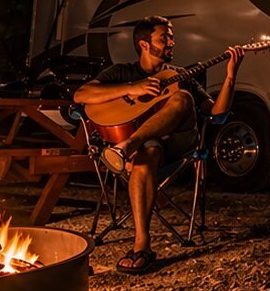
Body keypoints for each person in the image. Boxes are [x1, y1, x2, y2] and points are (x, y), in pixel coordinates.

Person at [73, 16, 245, 274]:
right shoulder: (122, 73)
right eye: (164, 37)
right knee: (146, 156)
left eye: (171, 37)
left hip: (178, 142)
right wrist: (131, 88)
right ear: (144, 44)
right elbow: (81, 95)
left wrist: (231, 76)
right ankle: (142, 246)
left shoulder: (180, 75)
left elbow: (216, 114)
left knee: (183, 97)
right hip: (149, 147)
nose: (171, 42)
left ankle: (127, 146)